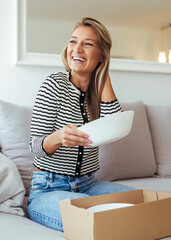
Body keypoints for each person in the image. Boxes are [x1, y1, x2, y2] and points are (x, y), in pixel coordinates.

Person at [27, 17, 134, 232]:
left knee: (139, 205)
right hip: (48, 187)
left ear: (101, 54)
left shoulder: (98, 92)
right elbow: (35, 146)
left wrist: (104, 77)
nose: (77, 49)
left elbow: (115, 128)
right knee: (97, 221)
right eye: (73, 41)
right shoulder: (54, 84)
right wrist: (58, 137)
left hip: (88, 184)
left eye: (88, 44)